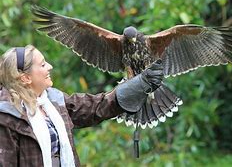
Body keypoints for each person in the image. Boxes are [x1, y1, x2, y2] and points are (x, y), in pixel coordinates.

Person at [0, 44, 164, 167]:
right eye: (43, 65)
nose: (50, 67)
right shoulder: (6, 116)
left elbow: (94, 108)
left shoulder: (53, 100)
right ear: (26, 78)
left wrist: (137, 86)